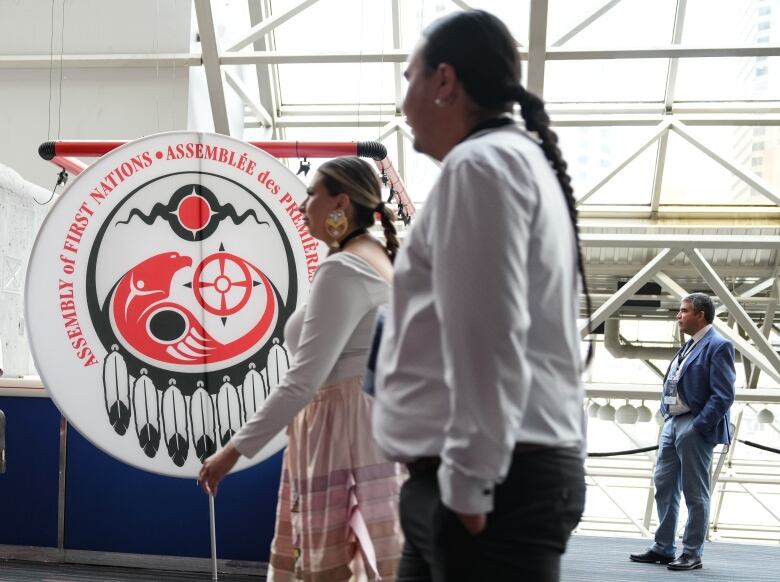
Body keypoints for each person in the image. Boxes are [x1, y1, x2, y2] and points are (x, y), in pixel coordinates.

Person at [372, 10, 589, 582]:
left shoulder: (482, 167)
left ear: (445, 81)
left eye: (409, 78)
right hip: (488, 476)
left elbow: (489, 332)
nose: (403, 102)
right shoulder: (510, 162)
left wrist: (468, 484)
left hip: (489, 487)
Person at [199, 157, 405, 582]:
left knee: (329, 569)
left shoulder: (343, 267)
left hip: (340, 430)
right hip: (372, 428)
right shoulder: (378, 259)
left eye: (312, 193)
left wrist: (230, 453)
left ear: (340, 203)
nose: (301, 204)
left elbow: (302, 381)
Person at [630, 293, 735, 571]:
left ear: (700, 314)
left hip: (694, 425)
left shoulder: (719, 346)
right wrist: (668, 416)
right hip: (673, 422)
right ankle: (664, 547)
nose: (678, 315)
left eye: (684, 311)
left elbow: (723, 395)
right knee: (664, 485)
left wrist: (698, 426)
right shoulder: (689, 346)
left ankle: (692, 552)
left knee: (695, 491)